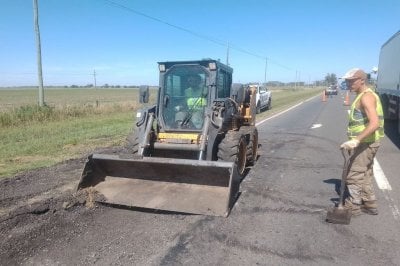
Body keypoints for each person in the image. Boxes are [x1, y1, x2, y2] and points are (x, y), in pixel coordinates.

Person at [340, 68, 384, 216]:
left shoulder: (366, 97)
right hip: (369, 141)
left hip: (365, 143)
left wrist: (356, 140)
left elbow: (374, 123)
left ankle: (352, 207)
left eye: (351, 81)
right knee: (365, 173)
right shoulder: (362, 95)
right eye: (346, 81)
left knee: (353, 175)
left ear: (362, 80)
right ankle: (369, 204)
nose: (348, 83)